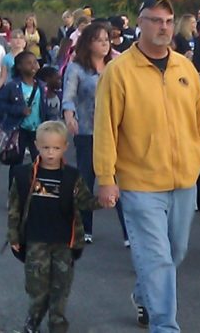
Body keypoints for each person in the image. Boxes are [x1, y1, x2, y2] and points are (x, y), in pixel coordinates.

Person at [94, 0, 200, 332]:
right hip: (139, 182)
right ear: (140, 23)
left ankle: (145, 296)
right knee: (157, 258)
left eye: (168, 21)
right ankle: (165, 325)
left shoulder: (185, 68)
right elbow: (105, 128)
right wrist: (106, 177)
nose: (163, 27)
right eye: (155, 20)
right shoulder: (119, 72)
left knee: (176, 252)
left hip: (184, 179)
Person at [8, 120, 106, 333]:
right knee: (37, 288)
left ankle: (58, 326)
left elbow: (84, 201)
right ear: (36, 145)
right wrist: (14, 236)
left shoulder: (72, 177)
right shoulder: (24, 176)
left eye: (56, 148)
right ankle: (32, 322)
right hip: (36, 240)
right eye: (45, 148)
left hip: (64, 242)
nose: (50, 153)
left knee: (60, 289)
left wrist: (103, 200)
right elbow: (14, 208)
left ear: (65, 148)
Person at [63, 23, 129, 246]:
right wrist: (69, 116)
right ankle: (85, 228)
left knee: (118, 180)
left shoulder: (116, 64)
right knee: (86, 178)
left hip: (115, 131)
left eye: (107, 40)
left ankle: (129, 232)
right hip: (88, 131)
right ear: (88, 43)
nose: (104, 44)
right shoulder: (77, 68)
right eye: (99, 40)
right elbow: (69, 95)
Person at [1, 51, 50, 171]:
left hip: (37, 129)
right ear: (19, 66)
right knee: (16, 161)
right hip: (19, 130)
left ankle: (37, 186)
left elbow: (47, 108)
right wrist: (19, 110)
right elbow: (1, 105)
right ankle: (14, 187)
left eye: (35, 62)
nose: (33, 66)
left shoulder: (42, 86)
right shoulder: (13, 86)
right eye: (29, 63)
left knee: (39, 161)